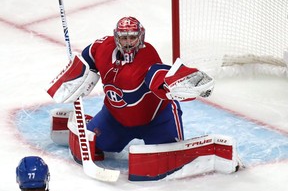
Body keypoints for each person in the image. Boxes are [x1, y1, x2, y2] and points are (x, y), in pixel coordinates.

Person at [47, 16, 214, 164]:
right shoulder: (103, 47)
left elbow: (162, 76)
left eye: (132, 38)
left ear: (140, 37)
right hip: (115, 118)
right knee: (96, 146)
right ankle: (92, 123)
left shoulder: (147, 57)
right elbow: (88, 56)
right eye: (124, 37)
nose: (127, 42)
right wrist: (77, 74)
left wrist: (185, 83)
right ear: (116, 37)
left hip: (156, 120)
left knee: (168, 159)